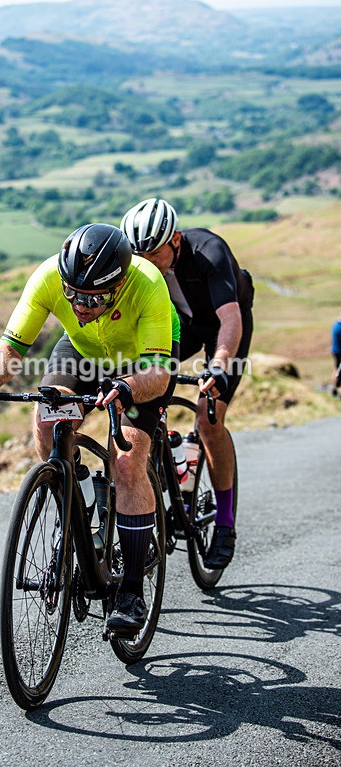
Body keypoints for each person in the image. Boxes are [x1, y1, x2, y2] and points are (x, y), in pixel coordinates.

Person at [0, 223, 180, 633]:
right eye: (72, 295)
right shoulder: (49, 276)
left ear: (117, 285)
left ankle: (132, 591)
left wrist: (126, 387)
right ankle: (81, 511)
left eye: (93, 298)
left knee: (129, 458)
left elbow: (159, 373)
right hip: (81, 352)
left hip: (139, 365)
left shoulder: (147, 282)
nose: (80, 306)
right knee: (49, 425)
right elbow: (10, 346)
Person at [121, 198, 255, 569]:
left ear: (176, 239)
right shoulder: (143, 268)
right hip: (185, 326)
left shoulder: (208, 251)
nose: (145, 261)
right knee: (143, 384)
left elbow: (230, 320)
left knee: (209, 422)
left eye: (153, 252)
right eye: (138, 254)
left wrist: (218, 367)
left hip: (223, 327)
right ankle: (172, 454)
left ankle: (225, 524)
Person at [331, 315, 341, 397]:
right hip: (339, 352)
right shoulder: (339, 328)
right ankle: (337, 387)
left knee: (336, 369)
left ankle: (334, 388)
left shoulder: (335, 325)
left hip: (335, 351)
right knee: (338, 370)